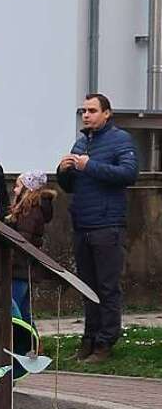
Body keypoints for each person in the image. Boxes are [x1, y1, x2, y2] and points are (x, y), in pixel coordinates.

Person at [57, 93, 138, 364]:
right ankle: (88, 340)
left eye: (92, 110)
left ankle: (105, 342)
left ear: (107, 113)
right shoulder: (81, 142)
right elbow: (70, 186)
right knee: (86, 287)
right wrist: (64, 171)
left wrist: (90, 165)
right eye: (83, 111)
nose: (86, 115)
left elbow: (128, 174)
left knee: (106, 287)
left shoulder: (120, 140)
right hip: (82, 224)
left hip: (107, 225)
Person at [6, 170, 57, 323]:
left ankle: (19, 341)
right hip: (26, 267)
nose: (14, 190)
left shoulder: (29, 212)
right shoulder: (33, 210)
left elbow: (22, 241)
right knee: (23, 309)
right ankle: (33, 344)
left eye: (17, 186)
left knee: (12, 307)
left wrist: (10, 262)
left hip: (20, 267)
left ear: (27, 189)